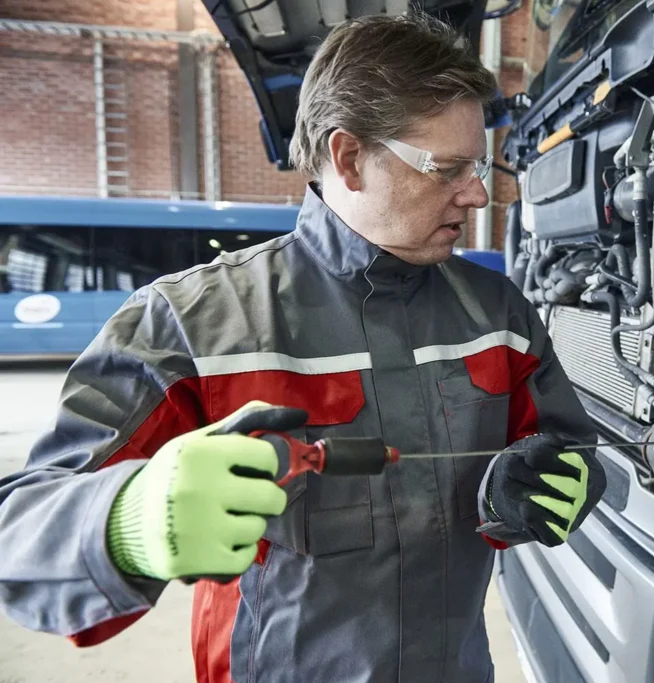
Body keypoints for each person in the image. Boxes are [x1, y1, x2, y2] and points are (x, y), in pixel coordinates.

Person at [0, 13, 605, 683]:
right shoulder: (192, 326)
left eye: (478, 164)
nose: (479, 191)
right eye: (447, 168)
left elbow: (570, 449)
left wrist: (548, 483)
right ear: (349, 158)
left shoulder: (498, 315)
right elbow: (18, 534)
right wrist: (126, 520)